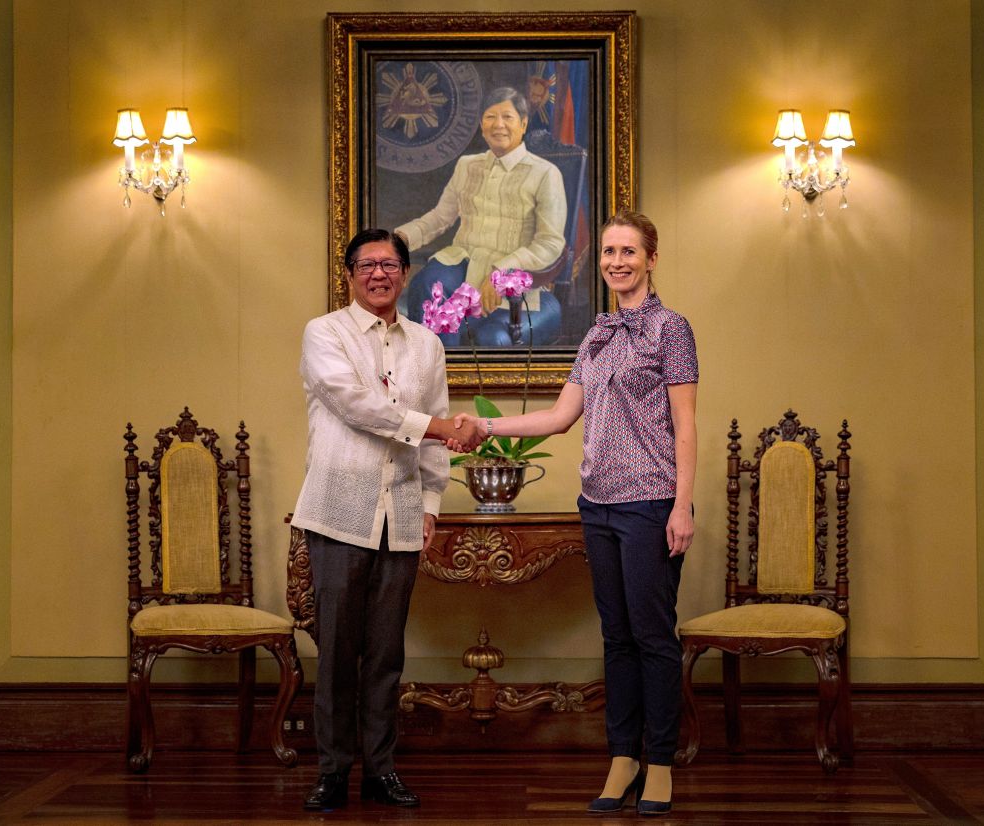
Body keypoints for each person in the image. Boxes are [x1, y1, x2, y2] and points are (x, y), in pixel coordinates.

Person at [451, 211, 698, 816]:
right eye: (609, 251)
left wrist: (682, 504)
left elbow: (687, 426)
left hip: (650, 501)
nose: (616, 261)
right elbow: (559, 418)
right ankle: (623, 758)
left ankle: (659, 761)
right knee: (616, 639)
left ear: (651, 258)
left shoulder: (673, 329)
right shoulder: (595, 336)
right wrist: (485, 425)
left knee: (652, 638)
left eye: (628, 251)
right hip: (598, 506)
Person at [292, 228, 485, 812]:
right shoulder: (324, 333)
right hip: (338, 511)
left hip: (400, 514)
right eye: (367, 264)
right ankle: (331, 772)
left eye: (390, 264)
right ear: (349, 273)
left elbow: (435, 432)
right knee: (336, 650)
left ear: (405, 273)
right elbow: (356, 404)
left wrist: (430, 506)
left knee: (384, 653)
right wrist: (436, 427)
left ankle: (380, 770)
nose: (379, 274)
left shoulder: (427, 345)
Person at [397, 86, 568, 346]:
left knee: (489, 337)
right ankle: (437, 376)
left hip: (512, 274)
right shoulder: (468, 165)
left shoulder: (545, 173)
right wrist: (399, 238)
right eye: (490, 117)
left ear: (523, 124)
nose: (498, 125)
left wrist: (504, 271)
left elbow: (550, 243)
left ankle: (453, 375)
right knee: (428, 285)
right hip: (463, 261)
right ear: (481, 124)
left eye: (507, 117)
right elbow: (441, 217)